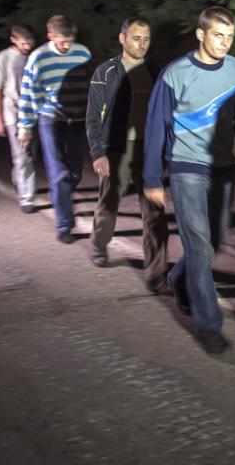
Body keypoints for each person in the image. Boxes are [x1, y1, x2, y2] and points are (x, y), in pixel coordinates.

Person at [142, 6, 235, 354]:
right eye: (217, 35)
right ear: (201, 34)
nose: (224, 43)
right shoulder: (174, 74)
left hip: (223, 168)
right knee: (198, 245)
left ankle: (179, 278)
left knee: (213, 243)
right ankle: (210, 326)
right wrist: (152, 178)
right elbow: (155, 127)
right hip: (186, 167)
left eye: (230, 36)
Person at [85, 17, 169, 285]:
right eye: (136, 38)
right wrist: (98, 152)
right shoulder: (106, 72)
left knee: (155, 210)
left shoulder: (157, 73)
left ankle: (156, 273)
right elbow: (92, 117)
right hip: (116, 148)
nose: (141, 44)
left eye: (146, 39)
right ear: (122, 38)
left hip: (149, 149)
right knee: (109, 201)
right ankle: (99, 241)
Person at [18, 15, 93, 243]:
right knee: (59, 174)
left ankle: (61, 195)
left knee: (75, 174)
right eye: (62, 41)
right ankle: (64, 225)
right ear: (50, 36)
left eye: (70, 40)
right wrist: (25, 126)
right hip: (51, 120)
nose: (67, 45)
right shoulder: (38, 58)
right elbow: (28, 93)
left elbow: (92, 87)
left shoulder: (82, 53)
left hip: (78, 120)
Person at [0, 26, 37, 212]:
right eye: (23, 43)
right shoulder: (3, 58)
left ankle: (19, 178)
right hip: (11, 112)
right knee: (21, 154)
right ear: (13, 39)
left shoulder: (33, 57)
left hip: (31, 111)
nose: (27, 46)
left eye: (30, 43)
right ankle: (26, 198)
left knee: (29, 154)